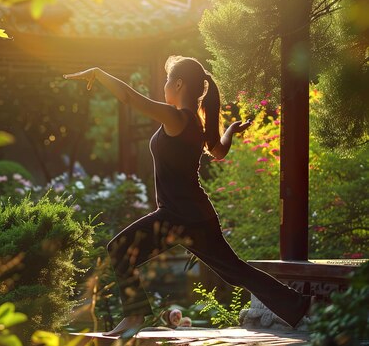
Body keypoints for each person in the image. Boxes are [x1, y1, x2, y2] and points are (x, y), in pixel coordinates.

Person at [63, 56, 311, 336]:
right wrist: (229, 130)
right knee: (234, 271)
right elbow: (218, 151)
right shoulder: (192, 121)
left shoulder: (178, 118)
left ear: (179, 84)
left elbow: (130, 99)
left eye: (168, 79)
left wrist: (99, 72)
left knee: (120, 249)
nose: (165, 85)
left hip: (179, 216)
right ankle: (299, 305)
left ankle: (134, 317)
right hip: (192, 217)